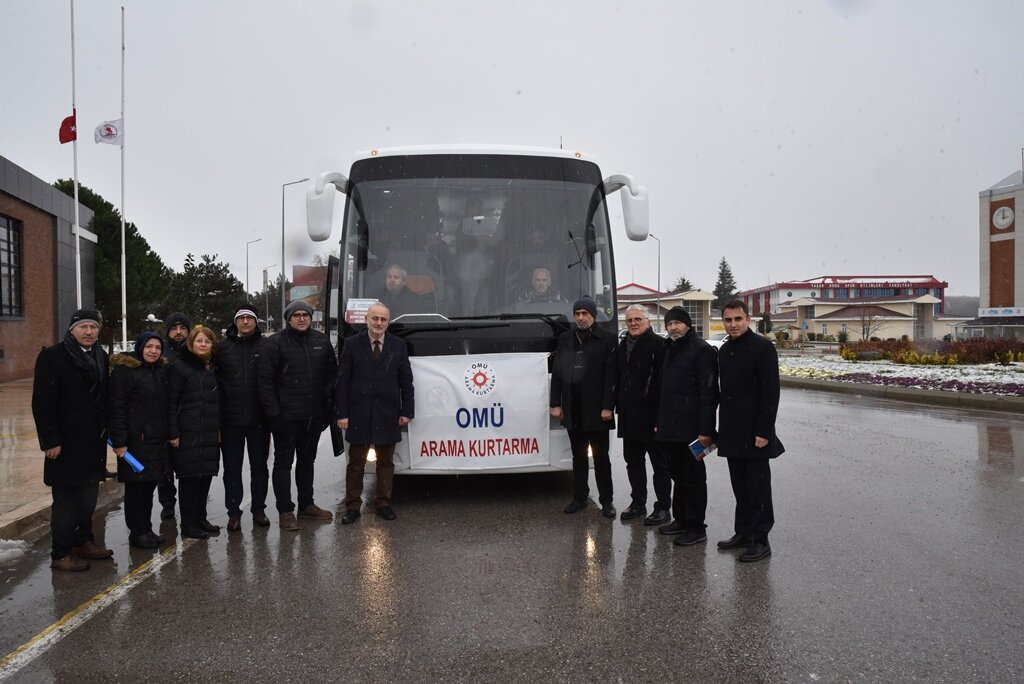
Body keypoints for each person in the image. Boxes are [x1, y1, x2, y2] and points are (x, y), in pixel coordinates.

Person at [31, 309, 113, 571]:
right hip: (64, 444)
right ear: (71, 330)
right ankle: (61, 552)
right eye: (83, 327)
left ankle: (83, 541)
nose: (88, 332)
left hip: (92, 442)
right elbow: (42, 403)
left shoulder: (101, 355)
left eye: (93, 327)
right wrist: (50, 440)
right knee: (65, 502)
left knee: (88, 498)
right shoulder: (52, 356)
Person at [258, 300, 338, 531]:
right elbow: (265, 383)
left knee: (306, 462)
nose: (302, 318)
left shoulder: (321, 341)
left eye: (305, 314)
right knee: (283, 464)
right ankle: (285, 511)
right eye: (297, 315)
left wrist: (327, 411)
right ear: (288, 318)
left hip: (313, 417)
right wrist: (274, 415)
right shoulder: (274, 344)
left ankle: (306, 505)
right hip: (285, 418)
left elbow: (331, 378)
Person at [716, 299, 785, 562]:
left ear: (748, 319)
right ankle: (743, 532)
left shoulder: (763, 348)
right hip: (732, 431)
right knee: (740, 486)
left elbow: (771, 393)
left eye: (738, 319)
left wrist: (764, 431)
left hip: (756, 432)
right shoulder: (724, 351)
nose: (733, 324)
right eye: (728, 320)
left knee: (757, 488)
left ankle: (760, 539)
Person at [335, 302, 414, 524]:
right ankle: (352, 506)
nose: (379, 323)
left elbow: (406, 381)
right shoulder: (352, 344)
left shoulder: (398, 346)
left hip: (388, 413)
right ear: (367, 320)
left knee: (386, 462)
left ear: (388, 322)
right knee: (356, 462)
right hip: (358, 412)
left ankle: (383, 503)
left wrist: (407, 410)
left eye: (383, 320)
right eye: (375, 319)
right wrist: (342, 413)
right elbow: (342, 382)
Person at [654, 306, 719, 547]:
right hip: (671, 429)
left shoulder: (701, 350)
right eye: (669, 324)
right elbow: (665, 392)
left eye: (677, 323)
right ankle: (680, 519)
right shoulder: (669, 348)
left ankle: (696, 527)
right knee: (678, 476)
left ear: (687, 325)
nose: (673, 328)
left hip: (694, 432)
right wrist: (659, 424)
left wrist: (705, 431)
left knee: (693, 479)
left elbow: (709, 393)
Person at [550, 296, 617, 518]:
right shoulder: (565, 338)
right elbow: (557, 374)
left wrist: (608, 406)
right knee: (578, 457)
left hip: (598, 410)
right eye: (577, 313)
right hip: (573, 408)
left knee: (601, 458)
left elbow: (611, 377)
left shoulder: (607, 339)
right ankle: (579, 498)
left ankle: (607, 501)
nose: (580, 317)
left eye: (584, 313)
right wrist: (555, 404)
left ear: (593, 316)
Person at [108, 331, 169, 549]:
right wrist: (119, 441)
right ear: (140, 348)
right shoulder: (126, 373)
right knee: (136, 488)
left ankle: (146, 528)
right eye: (149, 346)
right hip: (133, 442)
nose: (153, 351)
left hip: (155, 440)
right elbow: (116, 408)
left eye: (158, 347)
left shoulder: (159, 371)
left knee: (149, 485)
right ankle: (136, 532)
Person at [615, 305, 671, 526]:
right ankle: (638, 503)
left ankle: (663, 507)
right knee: (633, 463)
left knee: (660, 465)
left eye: (638, 319)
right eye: (629, 320)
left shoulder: (659, 345)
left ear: (648, 321)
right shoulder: (622, 346)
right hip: (629, 416)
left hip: (652, 416)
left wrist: (662, 418)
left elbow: (664, 383)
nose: (633, 323)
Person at [216, 305, 271, 531]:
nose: (246, 322)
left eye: (250, 318)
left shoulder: (267, 346)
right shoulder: (223, 347)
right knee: (232, 469)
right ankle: (233, 512)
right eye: (241, 318)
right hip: (231, 421)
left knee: (259, 467)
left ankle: (258, 509)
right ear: (235, 322)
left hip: (259, 420)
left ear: (256, 322)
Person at [167, 326, 222, 540]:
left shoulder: (212, 368)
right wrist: (173, 433)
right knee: (189, 480)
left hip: (208, 432)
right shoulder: (179, 368)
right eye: (199, 341)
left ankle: (201, 518)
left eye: (207, 342)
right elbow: (171, 402)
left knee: (205, 477)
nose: (203, 344)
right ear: (191, 344)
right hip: (187, 432)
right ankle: (188, 524)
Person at [157, 311, 192, 519]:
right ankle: (167, 503)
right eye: (174, 328)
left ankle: (191, 505)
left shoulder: (194, 352)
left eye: (182, 328)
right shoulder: (160, 353)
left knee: (186, 465)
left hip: (188, 417)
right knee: (164, 467)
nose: (178, 332)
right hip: (162, 416)